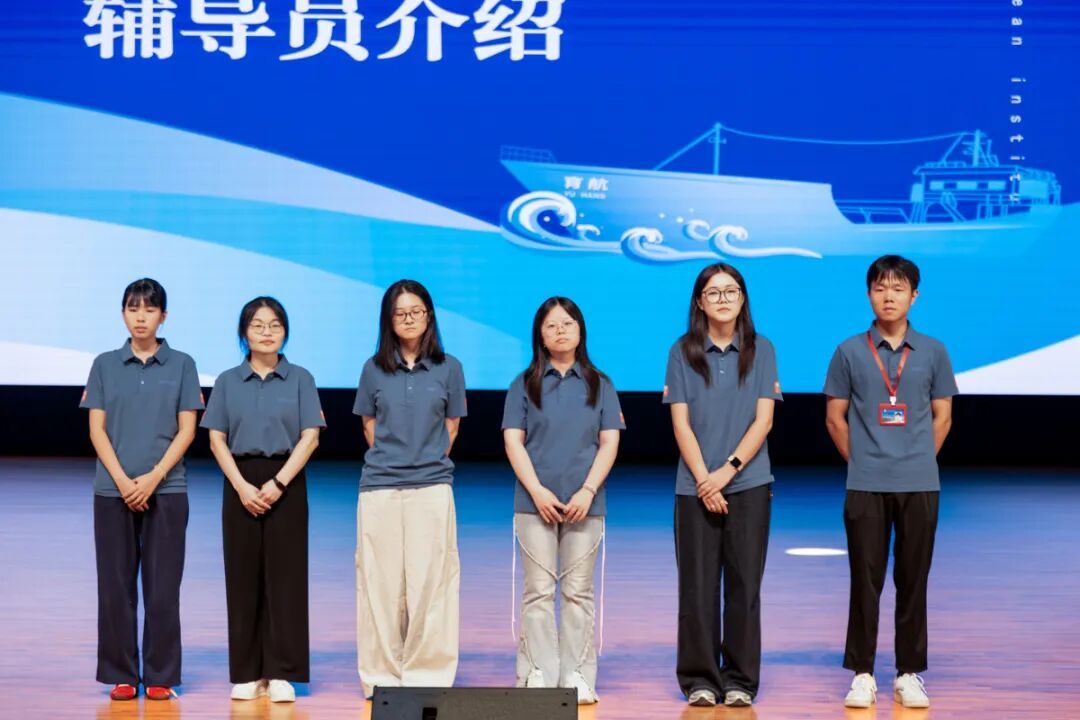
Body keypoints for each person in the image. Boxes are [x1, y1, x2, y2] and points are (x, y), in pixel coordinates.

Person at [824, 255, 957, 710]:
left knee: (913, 580)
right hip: (866, 484)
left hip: (920, 483)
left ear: (913, 296)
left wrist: (915, 460)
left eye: (898, 288)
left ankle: (908, 673)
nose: (888, 296)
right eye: (880, 288)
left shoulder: (933, 351)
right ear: (869, 295)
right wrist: (865, 461)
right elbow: (835, 418)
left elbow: (943, 416)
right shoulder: (848, 351)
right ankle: (862, 673)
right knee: (865, 580)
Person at [664, 263, 782, 708]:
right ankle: (699, 678)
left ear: (742, 298)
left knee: (744, 586)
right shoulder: (682, 351)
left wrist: (726, 473)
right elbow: (681, 423)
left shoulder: (761, 349)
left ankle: (740, 681)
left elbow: (764, 420)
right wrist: (704, 480)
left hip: (748, 483)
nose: (723, 299)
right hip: (694, 487)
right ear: (699, 302)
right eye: (713, 293)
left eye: (731, 291)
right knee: (696, 589)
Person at [80, 278, 203, 702]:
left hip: (167, 490)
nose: (140, 317)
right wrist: (122, 480)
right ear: (123, 314)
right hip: (111, 492)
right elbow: (96, 429)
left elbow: (187, 430)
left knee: (162, 588)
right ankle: (121, 673)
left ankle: (160, 674)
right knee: (115, 587)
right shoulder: (104, 364)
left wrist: (153, 477)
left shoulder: (183, 364)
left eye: (149, 309)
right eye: (133, 309)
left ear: (163, 316)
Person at [201, 296, 325, 703]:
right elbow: (216, 439)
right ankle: (248, 672)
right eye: (257, 325)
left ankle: (283, 672)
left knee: (286, 578)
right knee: (242, 577)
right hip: (240, 481)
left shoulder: (301, 378)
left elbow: (310, 436)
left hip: (285, 481)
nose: (266, 332)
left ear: (285, 331)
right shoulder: (227, 381)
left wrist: (279, 482)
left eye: (275, 325)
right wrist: (240, 485)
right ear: (244, 333)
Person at [503, 296, 624, 705]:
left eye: (568, 323)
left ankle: (577, 676)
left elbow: (609, 443)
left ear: (580, 330)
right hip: (533, 503)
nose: (560, 330)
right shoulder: (523, 384)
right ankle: (537, 672)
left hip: (585, 504)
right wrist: (537, 491)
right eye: (551, 325)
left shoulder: (601, 384)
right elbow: (513, 441)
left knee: (578, 592)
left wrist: (587, 491)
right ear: (540, 335)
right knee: (538, 591)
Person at [353, 280, 467, 699]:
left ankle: (427, 674)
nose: (409, 319)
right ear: (388, 320)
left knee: (431, 584)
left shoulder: (449, 367)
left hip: (432, 486)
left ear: (429, 315)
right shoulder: (373, 368)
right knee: (379, 585)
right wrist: (395, 460)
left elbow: (451, 427)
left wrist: (424, 460)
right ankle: (381, 676)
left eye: (416, 311)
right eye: (400, 313)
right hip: (380, 488)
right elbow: (369, 426)